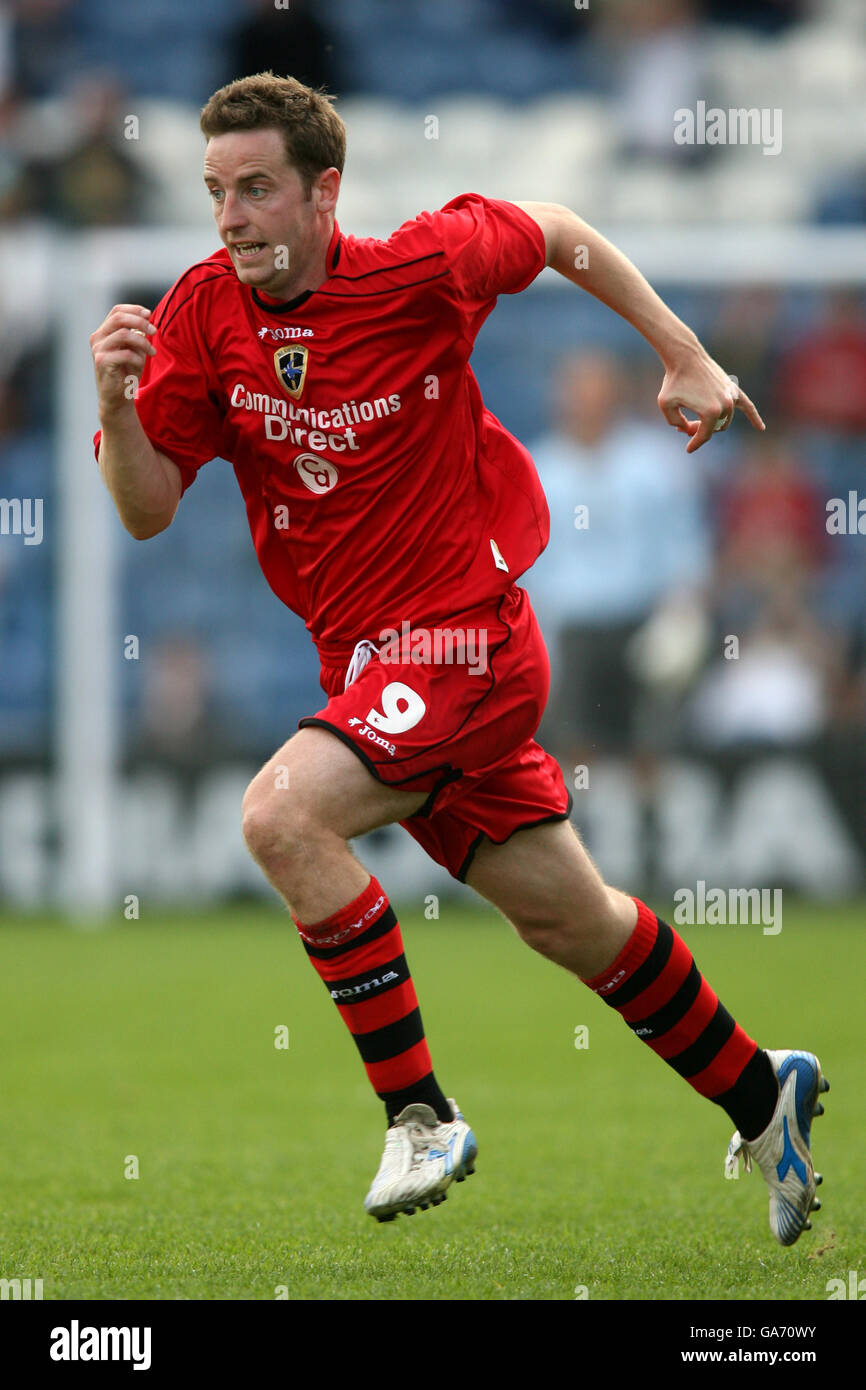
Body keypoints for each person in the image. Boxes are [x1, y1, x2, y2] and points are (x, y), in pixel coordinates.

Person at [90, 72, 827, 1242]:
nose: (230, 217)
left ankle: (419, 1113)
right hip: (367, 666)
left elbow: (553, 231)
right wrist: (120, 411)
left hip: (463, 639)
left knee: (282, 816)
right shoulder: (196, 315)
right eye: (216, 192)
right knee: (573, 920)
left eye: (258, 190)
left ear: (323, 192)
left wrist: (682, 354)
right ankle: (757, 1086)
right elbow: (144, 512)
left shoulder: (420, 267)